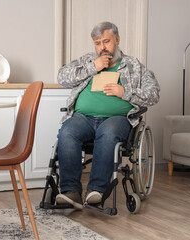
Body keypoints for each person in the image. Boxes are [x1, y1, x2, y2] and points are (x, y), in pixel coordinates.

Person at [55, 21, 160, 210]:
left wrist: (125, 92)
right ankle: (71, 192)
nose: (102, 48)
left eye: (106, 42)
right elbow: (62, 77)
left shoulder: (133, 65)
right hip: (83, 118)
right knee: (67, 131)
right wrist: (92, 67)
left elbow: (154, 94)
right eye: (97, 43)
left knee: (108, 132)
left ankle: (96, 190)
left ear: (117, 40)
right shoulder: (87, 61)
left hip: (117, 120)